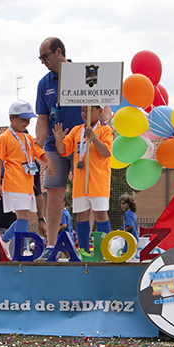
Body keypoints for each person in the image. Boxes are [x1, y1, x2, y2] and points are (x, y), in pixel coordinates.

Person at [35, 37, 111, 258]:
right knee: (54, 191)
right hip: (56, 144)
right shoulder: (44, 83)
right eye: (40, 58)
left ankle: (100, 249)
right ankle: (51, 246)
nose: (42, 62)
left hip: (84, 142)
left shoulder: (85, 74)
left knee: (94, 200)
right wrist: (38, 146)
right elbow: (42, 119)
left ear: (59, 52)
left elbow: (104, 106)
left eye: (45, 56)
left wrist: (102, 128)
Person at [0, 101, 54, 252]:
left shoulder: (28, 138)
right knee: (23, 216)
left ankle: (2, 240)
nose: (26, 123)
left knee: (31, 217)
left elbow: (39, 153)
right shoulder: (4, 138)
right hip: (14, 183)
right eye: (23, 119)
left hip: (28, 185)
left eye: (28, 120)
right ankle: (20, 250)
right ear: (12, 117)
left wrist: (49, 162)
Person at [52, 105, 113, 255]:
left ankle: (108, 250)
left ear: (100, 112)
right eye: (83, 110)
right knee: (81, 215)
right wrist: (59, 140)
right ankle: (84, 251)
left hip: (98, 181)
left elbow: (105, 153)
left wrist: (94, 138)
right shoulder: (77, 130)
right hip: (80, 183)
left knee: (100, 214)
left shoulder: (105, 130)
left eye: (90, 110)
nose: (85, 114)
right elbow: (63, 150)